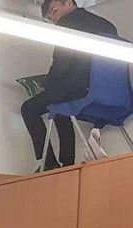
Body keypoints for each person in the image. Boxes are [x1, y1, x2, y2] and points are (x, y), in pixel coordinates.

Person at [21, 0, 118, 171]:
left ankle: (48, 162)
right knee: (60, 100)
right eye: (50, 19)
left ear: (68, 3)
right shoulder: (108, 26)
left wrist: (47, 85)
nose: (54, 20)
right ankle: (67, 163)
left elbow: (61, 62)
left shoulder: (67, 23)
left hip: (81, 88)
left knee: (29, 108)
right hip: (112, 92)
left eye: (54, 11)